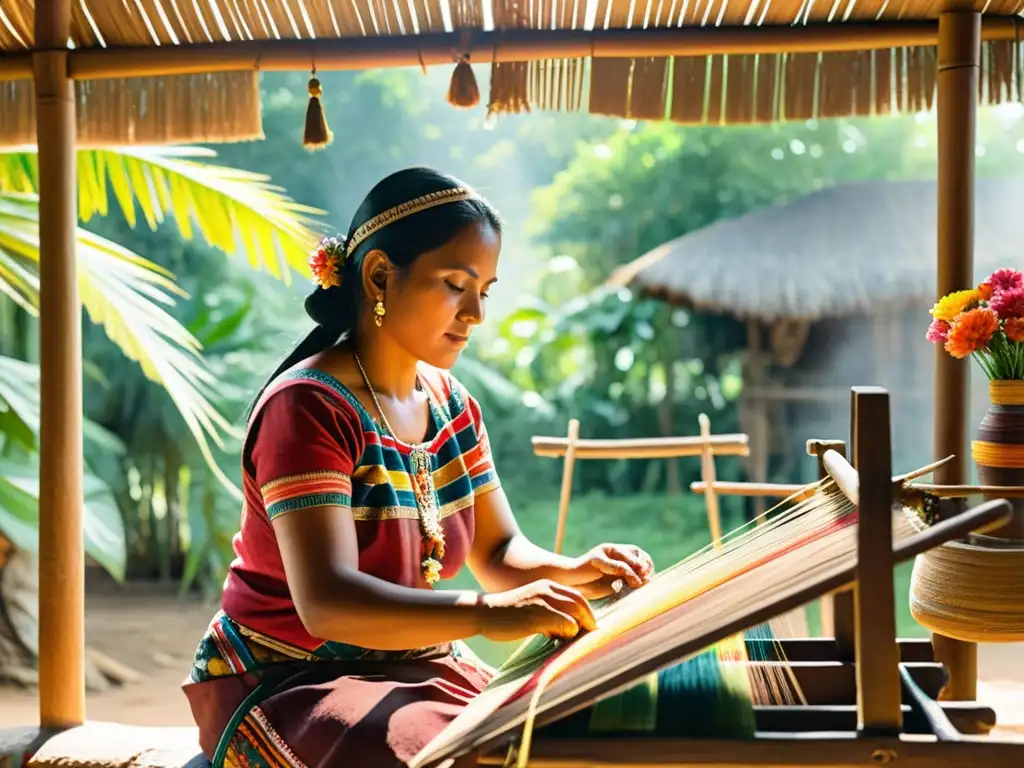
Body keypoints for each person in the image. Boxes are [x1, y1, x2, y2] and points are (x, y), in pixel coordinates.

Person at [182, 167, 655, 768]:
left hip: (415, 667)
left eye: (486, 288)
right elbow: (326, 602)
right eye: (456, 284)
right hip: (291, 678)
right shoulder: (307, 407)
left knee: (558, 734)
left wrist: (574, 572)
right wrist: (485, 615)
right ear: (379, 275)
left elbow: (498, 551)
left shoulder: (452, 406)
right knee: (455, 755)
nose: (476, 312)